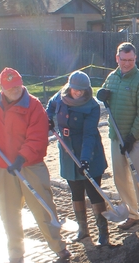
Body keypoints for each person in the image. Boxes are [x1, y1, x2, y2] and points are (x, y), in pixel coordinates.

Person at [0, 67, 70, 263]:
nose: (15, 90)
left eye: (17, 86)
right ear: (2, 88)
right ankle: (15, 253)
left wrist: (21, 158)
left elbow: (37, 137)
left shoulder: (33, 106)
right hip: (3, 167)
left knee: (43, 207)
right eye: (10, 88)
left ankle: (58, 247)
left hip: (30, 165)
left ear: (22, 84)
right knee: (8, 211)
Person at [46, 70, 110, 246]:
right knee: (76, 191)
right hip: (67, 151)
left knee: (93, 191)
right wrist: (48, 119)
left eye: (82, 90)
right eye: (76, 90)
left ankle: (103, 233)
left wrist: (85, 159)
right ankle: (83, 230)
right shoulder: (60, 97)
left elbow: (89, 134)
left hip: (89, 153)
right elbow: (50, 107)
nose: (79, 93)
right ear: (69, 87)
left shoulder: (92, 106)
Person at [97, 42, 139, 230]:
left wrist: (132, 137)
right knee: (120, 178)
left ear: (135, 59)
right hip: (116, 137)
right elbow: (106, 94)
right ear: (117, 58)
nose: (127, 64)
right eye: (123, 60)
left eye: (130, 60)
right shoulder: (112, 77)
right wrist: (101, 94)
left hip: (135, 139)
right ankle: (132, 214)